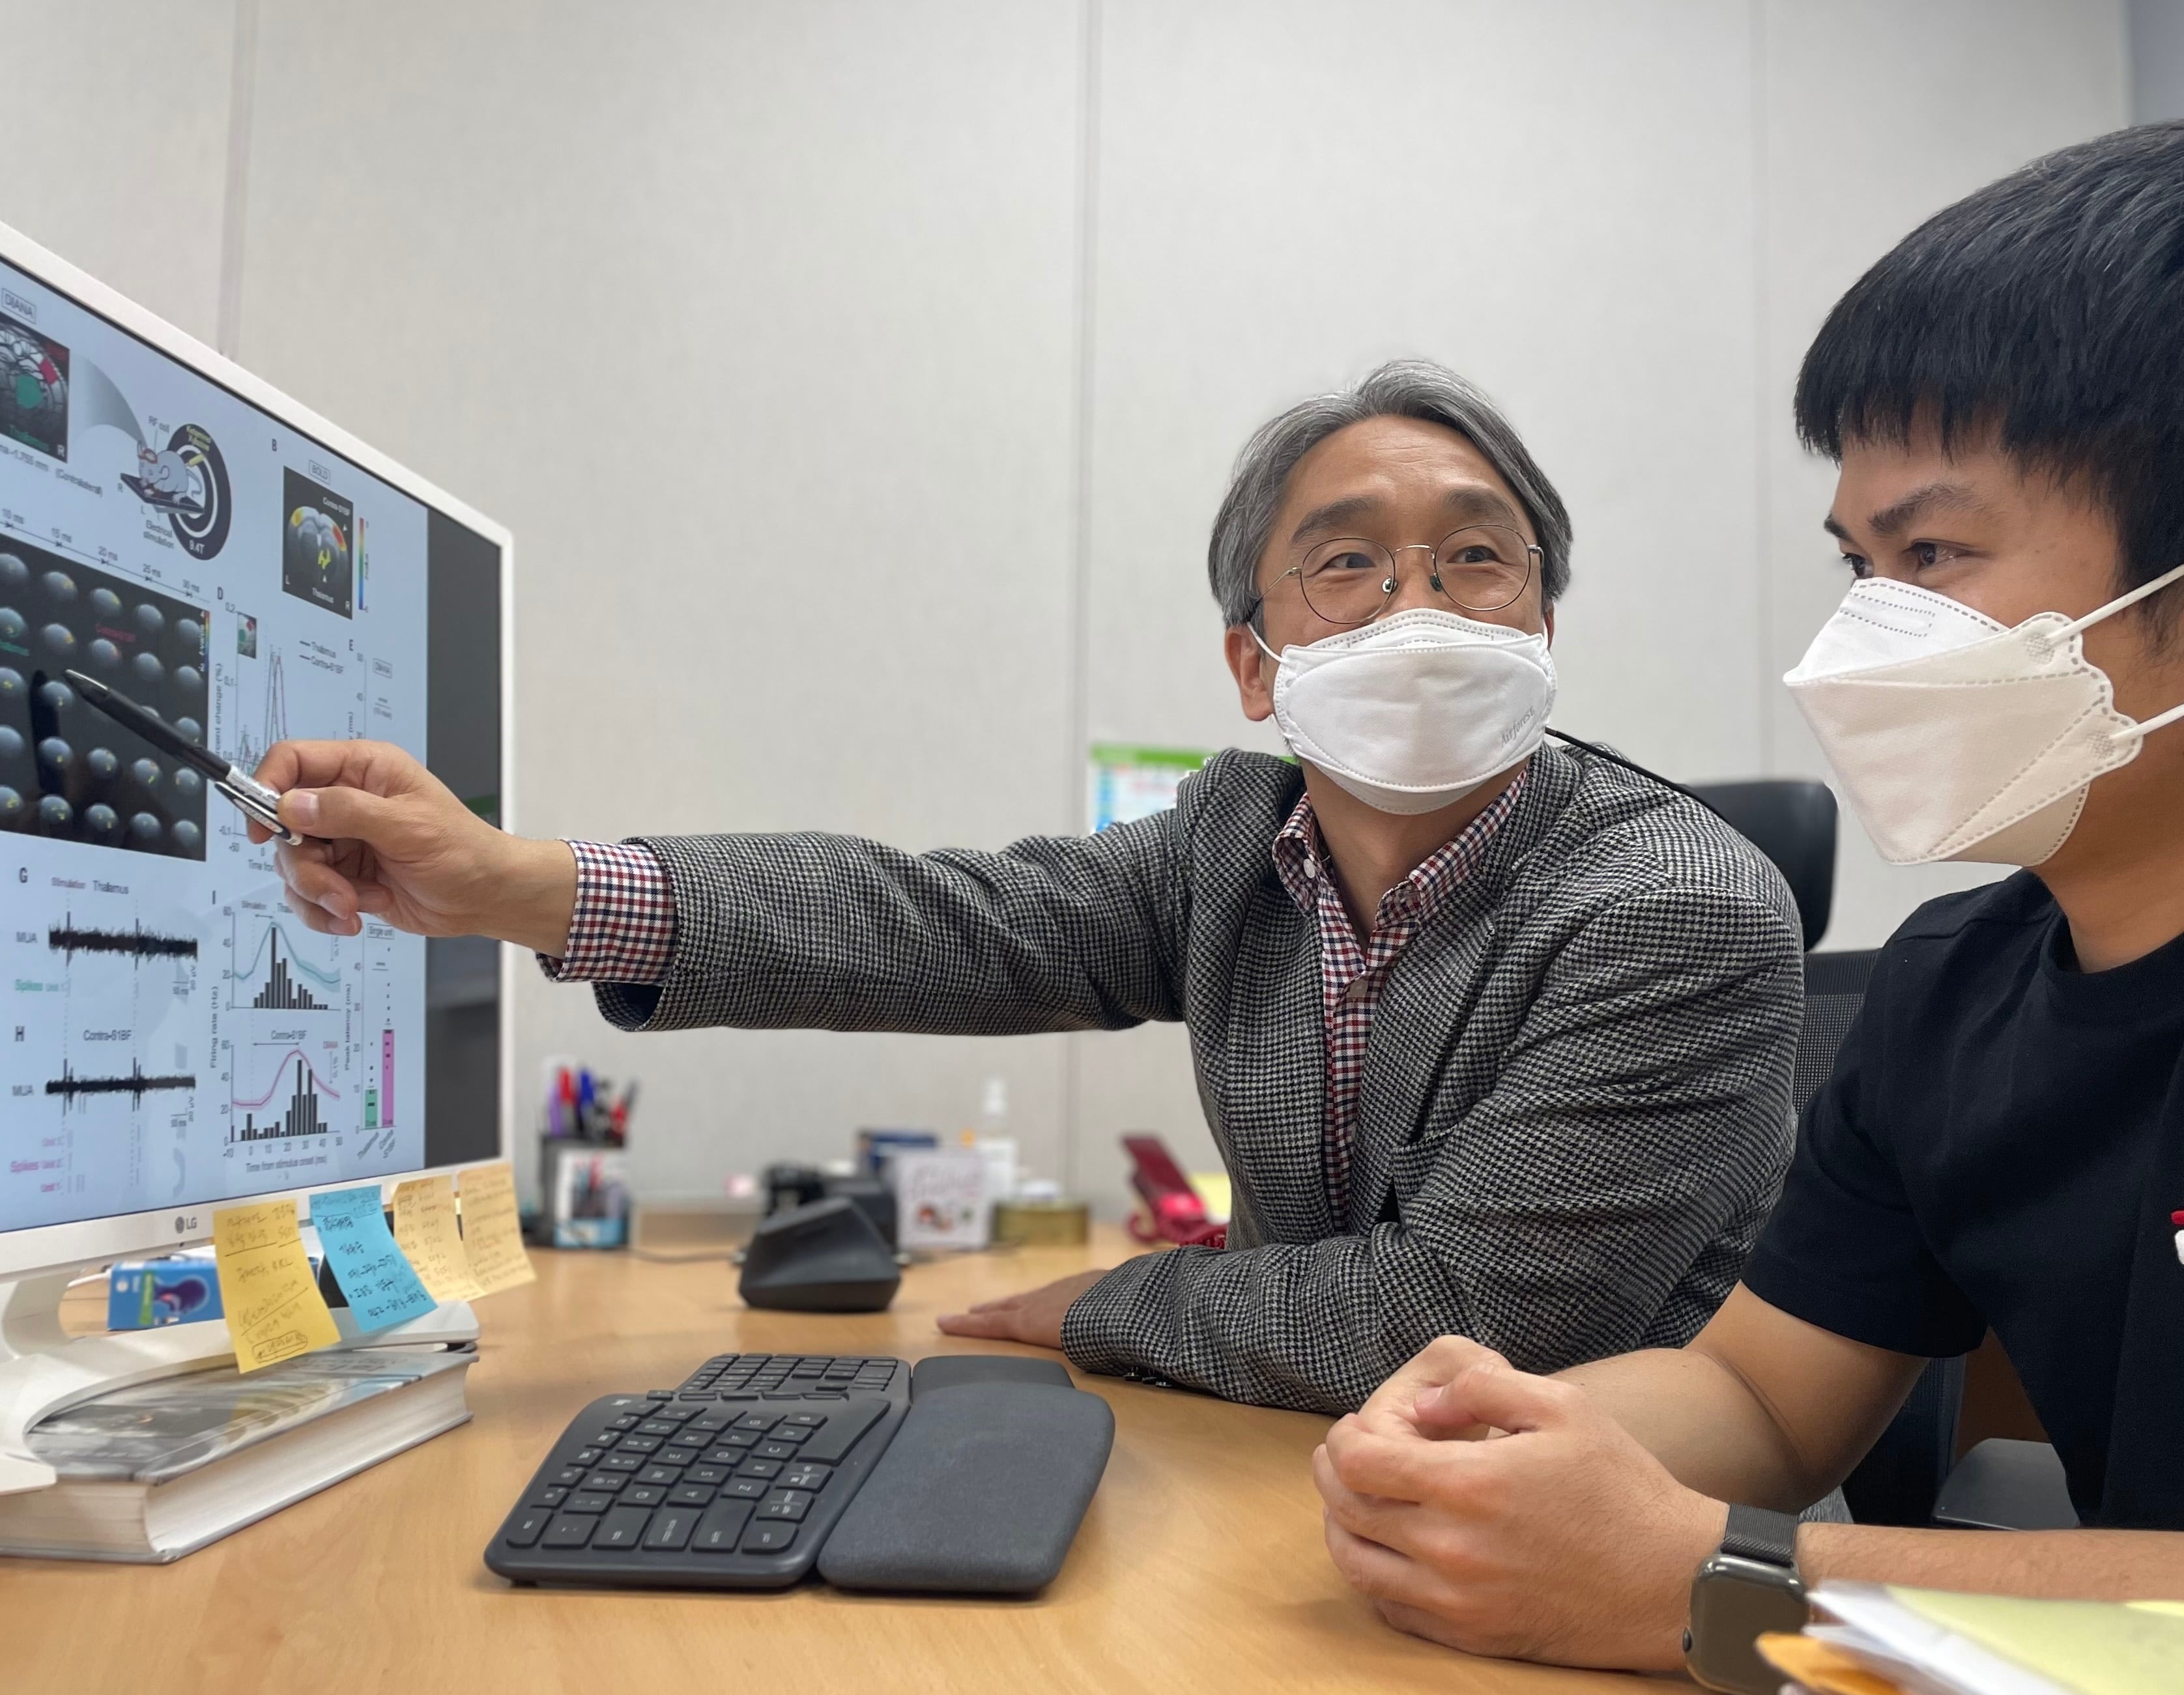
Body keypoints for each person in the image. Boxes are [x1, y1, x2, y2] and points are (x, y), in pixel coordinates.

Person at [1314, 117, 2184, 1681]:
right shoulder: (1956, 987)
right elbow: (1758, 1397)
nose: (1864, 640)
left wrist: (1734, 1584)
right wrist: (1484, 1435)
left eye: (1932, 552)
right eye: (1858, 567)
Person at [253, 361, 1802, 1414]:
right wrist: (510, 884)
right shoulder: (1235, 845)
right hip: (1310, 1491)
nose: (1421, 608)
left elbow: (1452, 1322)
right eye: (1348, 564)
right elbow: (941, 927)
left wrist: (1109, 1305)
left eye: (1478, 560)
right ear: (1252, 665)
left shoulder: (1678, 908)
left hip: (1601, 1576)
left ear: (1542, 625)